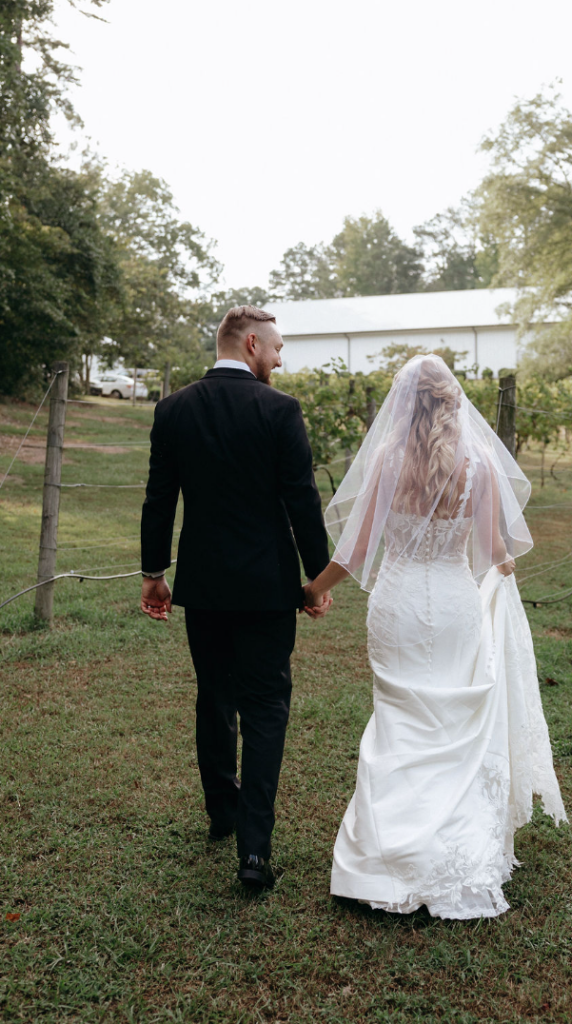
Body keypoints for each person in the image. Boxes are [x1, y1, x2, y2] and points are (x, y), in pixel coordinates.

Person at [304, 354, 567, 919]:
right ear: (453, 401)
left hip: (397, 605)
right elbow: (496, 555)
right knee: (451, 723)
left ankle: (384, 854)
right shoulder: (479, 465)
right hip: (454, 607)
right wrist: (499, 574)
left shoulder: (387, 457)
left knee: (399, 721)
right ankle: (453, 846)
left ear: (403, 402)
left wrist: (312, 589)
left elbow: (353, 554)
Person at [140, 305, 332, 890]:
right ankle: (255, 852)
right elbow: (302, 501)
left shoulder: (173, 409)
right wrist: (317, 581)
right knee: (267, 709)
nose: (280, 358)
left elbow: (159, 499)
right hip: (269, 589)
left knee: (214, 697)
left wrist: (154, 573)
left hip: (203, 587)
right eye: (276, 348)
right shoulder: (280, 410)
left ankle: (222, 813)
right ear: (252, 343)